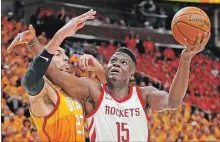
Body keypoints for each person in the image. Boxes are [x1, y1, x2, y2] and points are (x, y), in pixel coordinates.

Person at [8, 8, 210, 141]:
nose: (116, 63)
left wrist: (185, 59)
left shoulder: (144, 95)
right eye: (113, 60)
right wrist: (34, 44)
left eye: (123, 62)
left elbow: (174, 100)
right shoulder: (92, 90)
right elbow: (50, 71)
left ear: (132, 74)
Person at [7, 9, 106, 142]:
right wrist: (61, 35)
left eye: (65, 55)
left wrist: (98, 68)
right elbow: (29, 81)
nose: (66, 58)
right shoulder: (44, 92)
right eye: (58, 54)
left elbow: (112, 97)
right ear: (47, 61)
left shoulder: (74, 93)